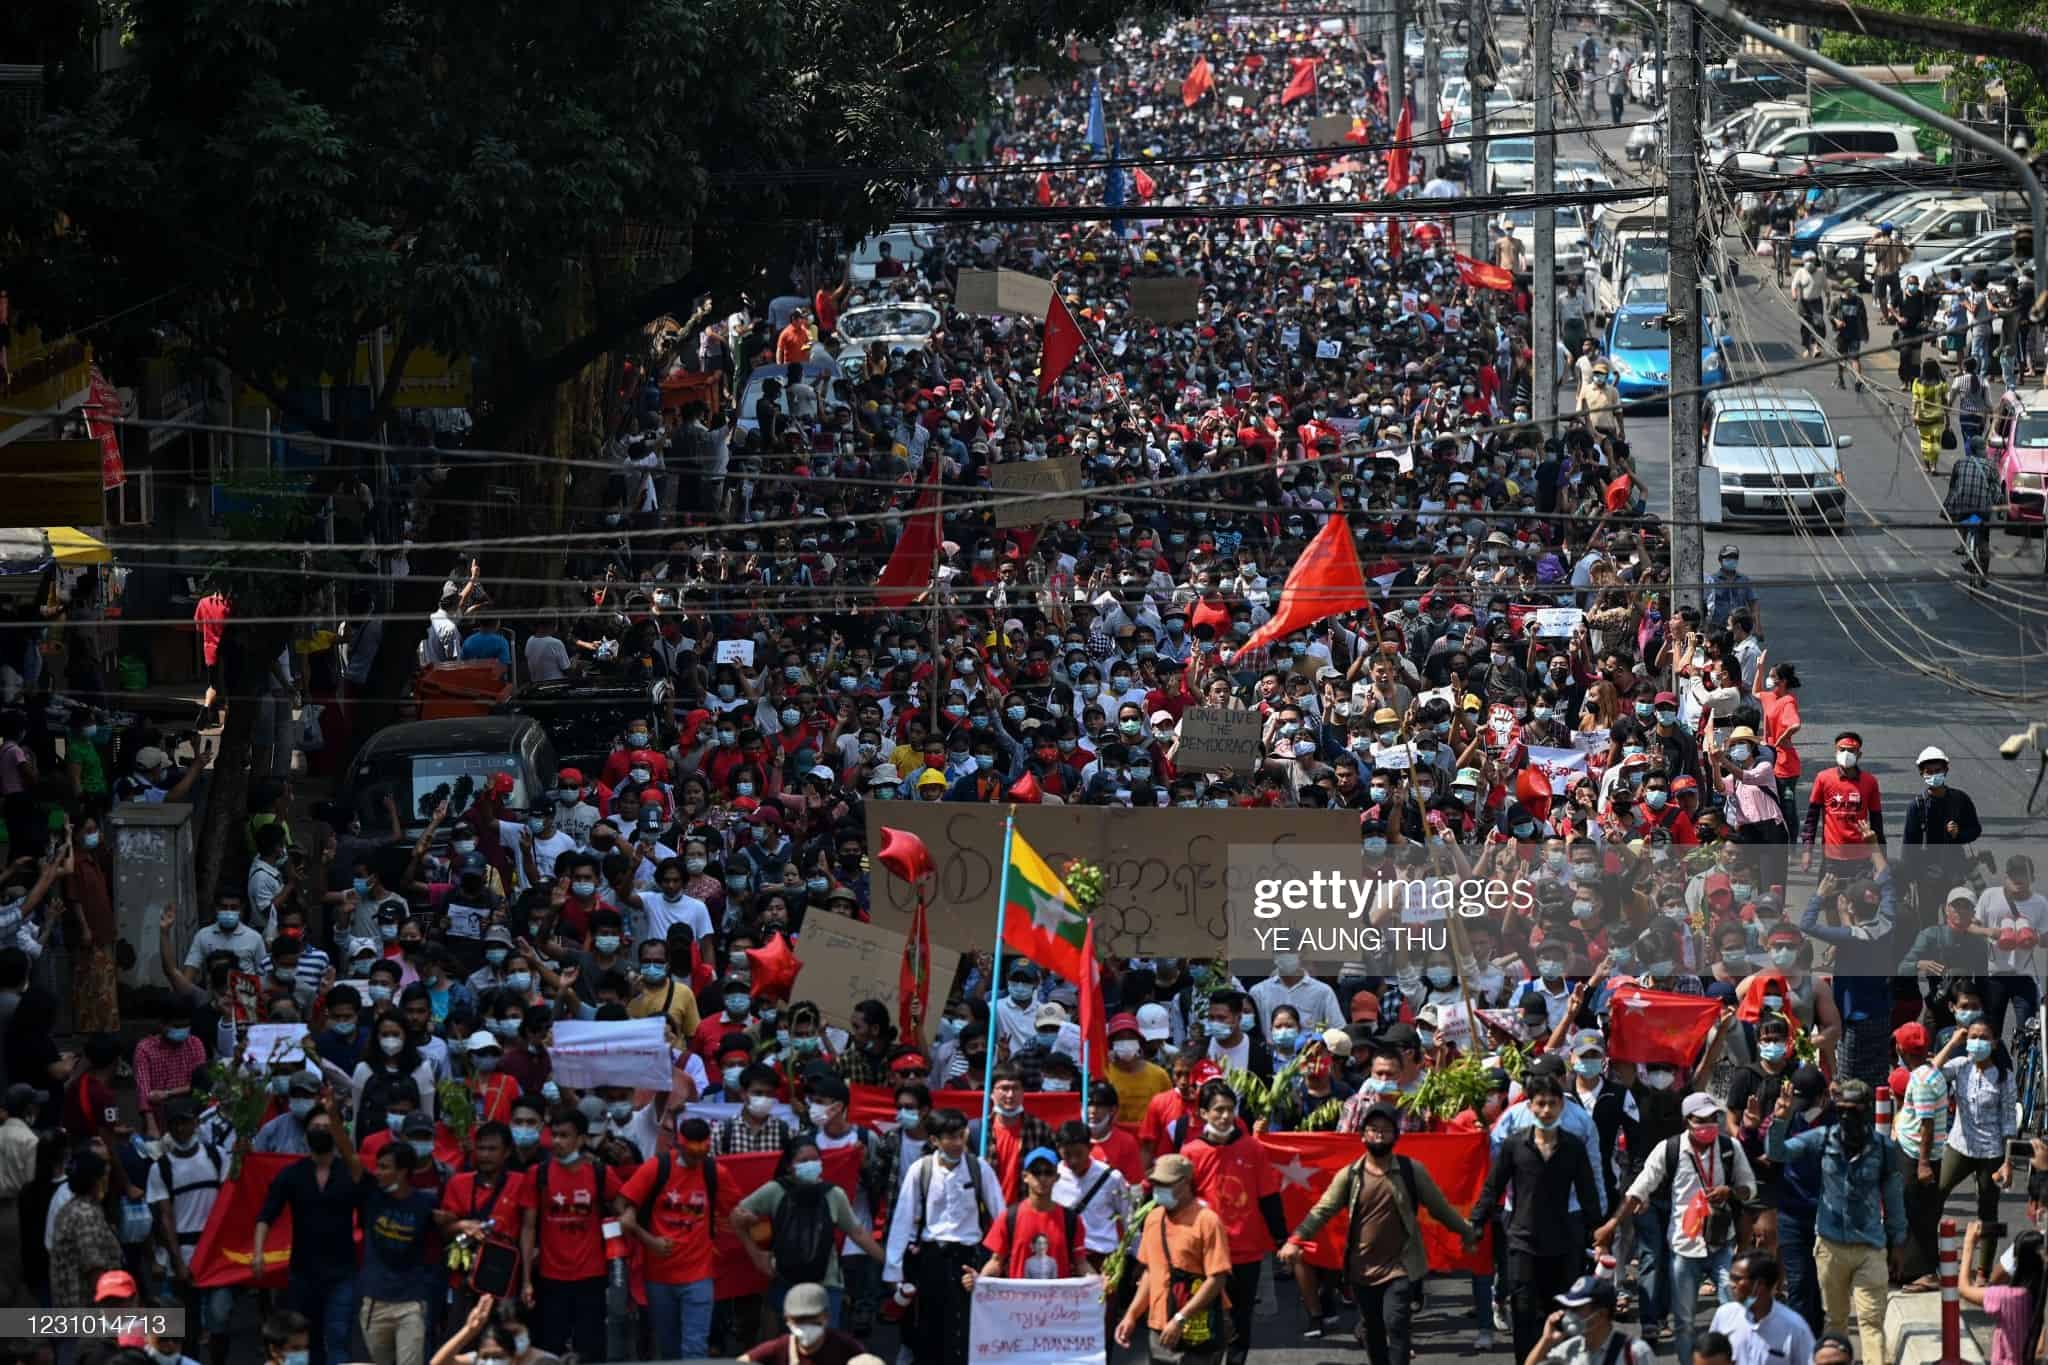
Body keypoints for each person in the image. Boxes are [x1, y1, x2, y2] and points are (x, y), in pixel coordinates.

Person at [1281, 1101, 1474, 1358]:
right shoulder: (1349, 1175)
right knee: (1372, 1330)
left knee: (1396, 1324)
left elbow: (1441, 1209)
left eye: (1385, 1129)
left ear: (1396, 1135)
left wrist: (1467, 1231)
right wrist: (1295, 1239)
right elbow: (1321, 1211)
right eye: (1373, 1129)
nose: (1379, 1134)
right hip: (1362, 1268)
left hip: (1401, 1265)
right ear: (1363, 1135)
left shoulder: (1411, 1170)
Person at [1597, 1092, 1755, 1365]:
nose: (1708, 1125)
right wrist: (1612, 1223)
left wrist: (1730, 1191)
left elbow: (1749, 1189)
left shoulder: (1730, 1148)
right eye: (1700, 1120)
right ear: (1687, 1122)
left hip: (1720, 1245)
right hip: (1684, 1248)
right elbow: (1638, 1190)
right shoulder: (1669, 1150)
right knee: (1684, 1323)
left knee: (1737, 1314)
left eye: (1713, 1118)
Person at [1765, 1078, 1907, 1365]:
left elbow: (1893, 1200)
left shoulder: (1883, 1149)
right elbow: (1777, 1153)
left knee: (1870, 1321)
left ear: (1866, 1110)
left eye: (1853, 1110)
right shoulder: (1822, 1138)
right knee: (1835, 1321)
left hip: (1870, 1246)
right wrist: (1779, 1120)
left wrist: (1898, 1244)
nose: (1846, 1117)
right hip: (1830, 1247)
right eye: (1841, 1110)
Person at [1478, 1073, 1604, 1365]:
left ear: (1562, 1106)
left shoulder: (1573, 1146)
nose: (1546, 1110)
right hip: (1523, 1244)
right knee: (1524, 1317)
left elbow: (1588, 1195)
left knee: (1563, 1317)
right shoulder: (1514, 1145)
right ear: (1530, 1107)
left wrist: (1599, 1234)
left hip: (1563, 1244)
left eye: (1552, 1103)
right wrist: (1474, 1225)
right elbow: (1492, 1188)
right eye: (1540, 1104)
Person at [731, 1133, 884, 1329]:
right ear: (789, 1166)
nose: (811, 1165)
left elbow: (858, 1233)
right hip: (786, 1281)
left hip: (827, 1284)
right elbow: (735, 1217)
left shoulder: (834, 1194)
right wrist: (756, 1255)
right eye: (803, 1161)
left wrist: (889, 1264)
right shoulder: (775, 1190)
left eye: (815, 1160)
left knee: (825, 1346)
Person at [254, 1094, 362, 1365]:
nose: (321, 1133)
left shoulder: (349, 1173)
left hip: (342, 1272)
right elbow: (266, 1215)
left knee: (338, 1339)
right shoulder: (292, 1175)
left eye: (327, 1128)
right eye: (316, 1128)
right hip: (303, 1273)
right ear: (306, 1134)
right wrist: (258, 1253)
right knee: (305, 1343)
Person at [517, 1108, 622, 1361]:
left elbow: (623, 1208)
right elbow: (529, 1227)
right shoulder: (537, 1174)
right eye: (554, 1135)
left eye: (565, 1136)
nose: (557, 1142)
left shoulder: (600, 1174)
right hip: (551, 1277)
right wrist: (526, 1281)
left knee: (591, 1349)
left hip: (592, 1276)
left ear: (581, 1139)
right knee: (551, 1349)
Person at [1114, 1153, 1234, 1365]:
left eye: (1165, 1184)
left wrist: (1180, 1319)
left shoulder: (1207, 1221)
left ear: (1186, 1183)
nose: (1158, 1189)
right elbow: (1151, 1272)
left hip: (1198, 1329)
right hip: (1159, 1329)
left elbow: (1217, 1279)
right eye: (1156, 1183)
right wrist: (1131, 1315)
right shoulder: (1153, 1218)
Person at [617, 1117, 719, 1359]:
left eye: (702, 1153)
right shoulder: (655, 1168)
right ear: (678, 1145)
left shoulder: (714, 1172)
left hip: (699, 1276)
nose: (697, 1160)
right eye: (691, 1153)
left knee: (695, 1348)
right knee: (669, 1348)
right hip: (659, 1277)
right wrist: (648, 1239)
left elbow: (735, 1211)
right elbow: (621, 1204)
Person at [1957, 1222, 2044, 1365]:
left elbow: (1964, 1289)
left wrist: (1969, 1243)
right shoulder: (2040, 1295)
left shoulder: (2008, 1297)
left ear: (2016, 1260)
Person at [1707, 1249, 1815, 1365]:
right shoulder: (1724, 1314)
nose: (1732, 1285)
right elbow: (1709, 1356)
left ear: (1759, 1284)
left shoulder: (1795, 1328)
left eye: (1737, 1279)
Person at [1521, 1274, 1654, 1365]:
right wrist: (1546, 1340)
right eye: (1568, 1308)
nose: (1568, 1314)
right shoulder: (1570, 1349)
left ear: (1601, 1314)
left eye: (1576, 1309)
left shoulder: (1635, 1352)